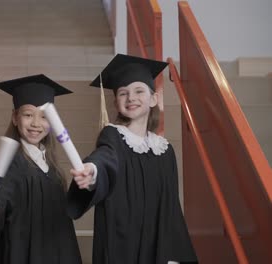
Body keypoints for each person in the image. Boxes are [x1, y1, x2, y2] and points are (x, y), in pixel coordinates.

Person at [67, 54, 198, 264]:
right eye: (123, 93)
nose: (131, 98)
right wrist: (92, 171)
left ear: (154, 98)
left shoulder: (164, 150)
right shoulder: (113, 136)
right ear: (116, 103)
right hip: (123, 245)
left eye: (139, 91)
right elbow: (105, 158)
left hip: (158, 248)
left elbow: (171, 208)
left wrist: (174, 254)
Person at [0, 74, 82, 264]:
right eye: (28, 115)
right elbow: (0, 193)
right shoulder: (10, 162)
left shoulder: (52, 166)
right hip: (25, 252)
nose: (36, 123)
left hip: (59, 250)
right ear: (15, 117)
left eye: (44, 117)